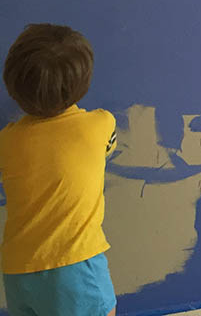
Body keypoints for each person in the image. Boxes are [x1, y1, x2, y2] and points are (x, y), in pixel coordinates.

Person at [0, 24, 117, 316]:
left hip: (18, 269)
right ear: (82, 83)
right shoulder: (100, 125)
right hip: (75, 266)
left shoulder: (6, 140)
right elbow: (105, 151)